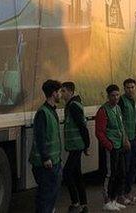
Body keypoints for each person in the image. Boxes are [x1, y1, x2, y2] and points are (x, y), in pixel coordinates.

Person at [30, 80, 63, 213]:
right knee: (46, 196)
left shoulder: (50, 111)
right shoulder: (43, 113)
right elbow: (40, 137)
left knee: (50, 195)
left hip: (53, 161)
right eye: (59, 92)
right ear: (54, 93)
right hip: (46, 164)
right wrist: (45, 158)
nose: (61, 94)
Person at [96, 84, 130, 211]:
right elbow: (99, 132)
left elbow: (121, 126)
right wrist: (109, 146)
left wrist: (125, 139)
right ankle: (107, 200)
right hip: (112, 147)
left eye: (117, 95)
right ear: (108, 96)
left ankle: (114, 199)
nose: (115, 98)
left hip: (119, 146)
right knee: (110, 174)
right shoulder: (103, 111)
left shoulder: (117, 109)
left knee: (120, 173)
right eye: (113, 95)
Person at [62, 81, 90, 213]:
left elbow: (82, 126)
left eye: (64, 91)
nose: (62, 94)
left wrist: (86, 145)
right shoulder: (71, 105)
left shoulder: (73, 106)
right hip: (75, 146)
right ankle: (84, 205)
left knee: (67, 173)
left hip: (77, 146)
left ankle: (75, 202)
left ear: (71, 92)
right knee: (77, 174)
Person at [120, 78, 136, 205]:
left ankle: (128, 192)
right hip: (127, 140)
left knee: (134, 167)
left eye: (132, 87)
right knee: (125, 168)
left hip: (135, 139)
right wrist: (125, 138)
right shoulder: (121, 101)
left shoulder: (134, 101)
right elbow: (120, 122)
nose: (130, 89)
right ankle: (121, 194)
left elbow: (135, 120)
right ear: (124, 88)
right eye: (128, 87)